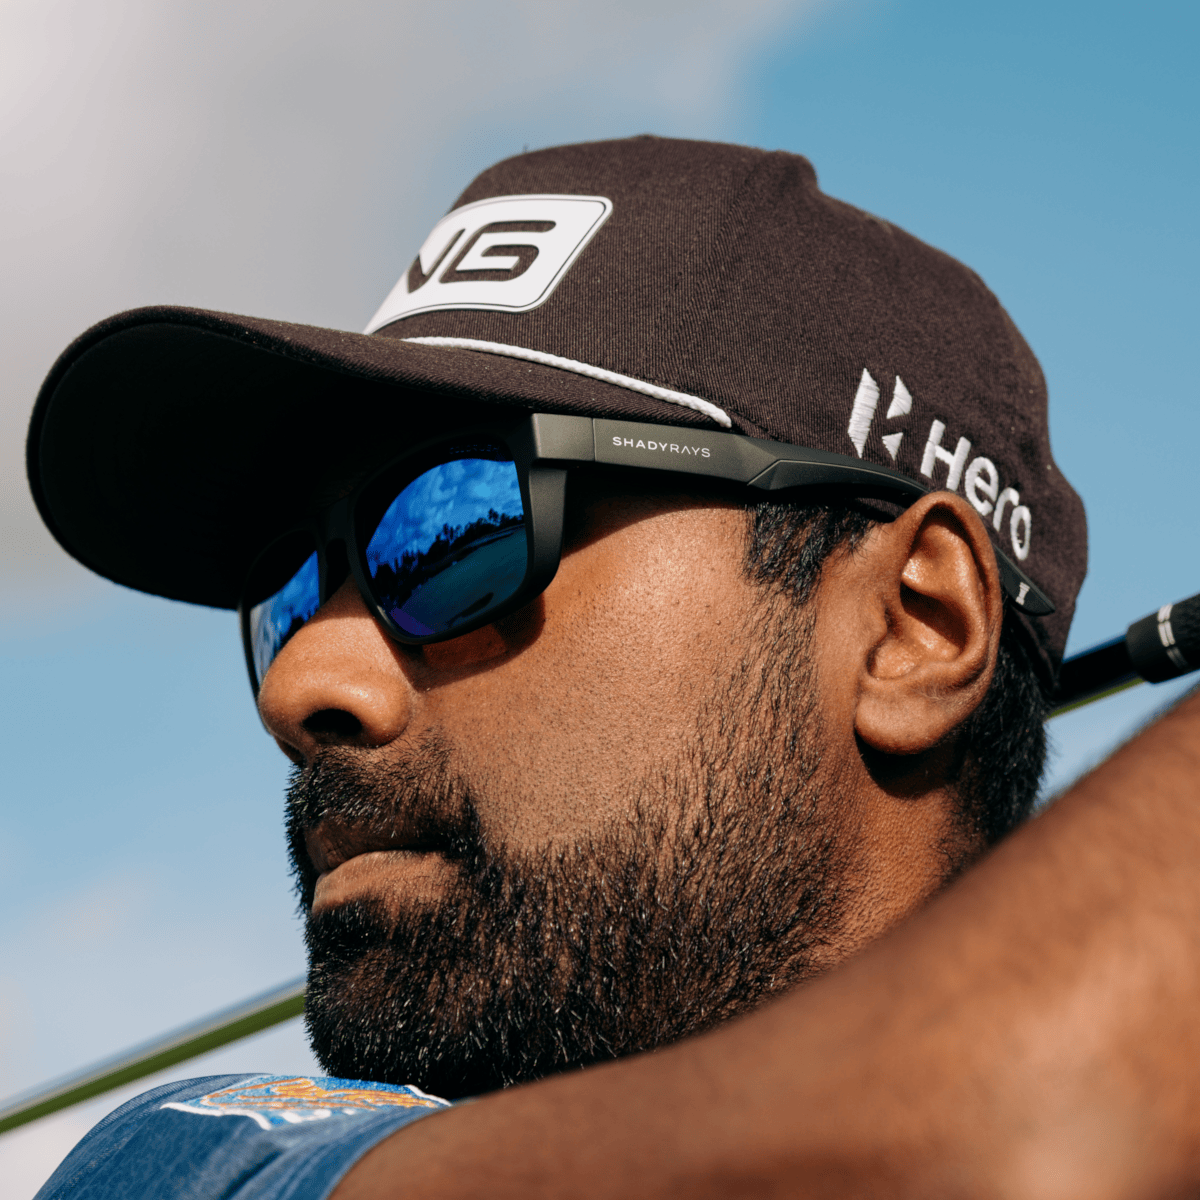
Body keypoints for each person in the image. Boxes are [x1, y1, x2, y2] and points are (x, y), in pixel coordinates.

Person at [27, 137, 1200, 1199]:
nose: (304, 685)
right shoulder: (186, 1168)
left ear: (913, 628)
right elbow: (1000, 1116)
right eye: (290, 589)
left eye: (459, 528)